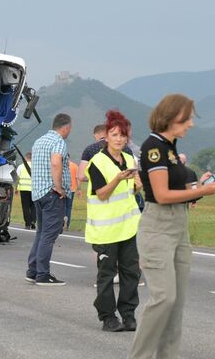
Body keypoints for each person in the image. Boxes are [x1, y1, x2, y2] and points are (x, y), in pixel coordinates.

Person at [129, 94, 215, 359]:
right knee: (163, 298)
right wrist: (205, 190)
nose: (190, 124)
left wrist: (196, 189)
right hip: (159, 227)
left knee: (175, 305)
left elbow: (180, 188)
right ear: (171, 117)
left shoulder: (171, 148)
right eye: (186, 118)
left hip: (179, 226)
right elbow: (162, 195)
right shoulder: (154, 148)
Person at [84, 110, 142, 332]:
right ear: (105, 136)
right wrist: (118, 178)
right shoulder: (97, 162)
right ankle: (108, 317)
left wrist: (137, 183)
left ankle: (128, 314)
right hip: (106, 229)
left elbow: (134, 190)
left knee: (131, 272)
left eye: (122, 135)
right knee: (106, 275)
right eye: (114, 134)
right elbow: (102, 194)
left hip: (128, 227)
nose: (119, 139)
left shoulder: (129, 158)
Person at [25, 113, 72, 287]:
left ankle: (33, 270)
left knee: (41, 232)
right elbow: (56, 162)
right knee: (49, 235)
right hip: (52, 194)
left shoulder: (39, 141)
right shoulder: (59, 142)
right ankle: (43, 274)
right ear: (66, 127)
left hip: (38, 193)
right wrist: (59, 186)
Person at [16, 152, 36, 230]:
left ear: (25, 157)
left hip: (23, 189)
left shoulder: (21, 166)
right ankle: (33, 221)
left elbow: (17, 178)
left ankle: (27, 224)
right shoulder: (36, 167)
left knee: (25, 207)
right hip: (34, 189)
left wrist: (16, 189)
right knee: (33, 206)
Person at [65, 160, 79, 230]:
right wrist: (79, 189)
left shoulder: (62, 165)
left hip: (63, 189)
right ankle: (67, 224)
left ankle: (61, 222)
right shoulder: (75, 166)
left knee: (62, 207)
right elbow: (77, 178)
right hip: (72, 190)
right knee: (69, 207)